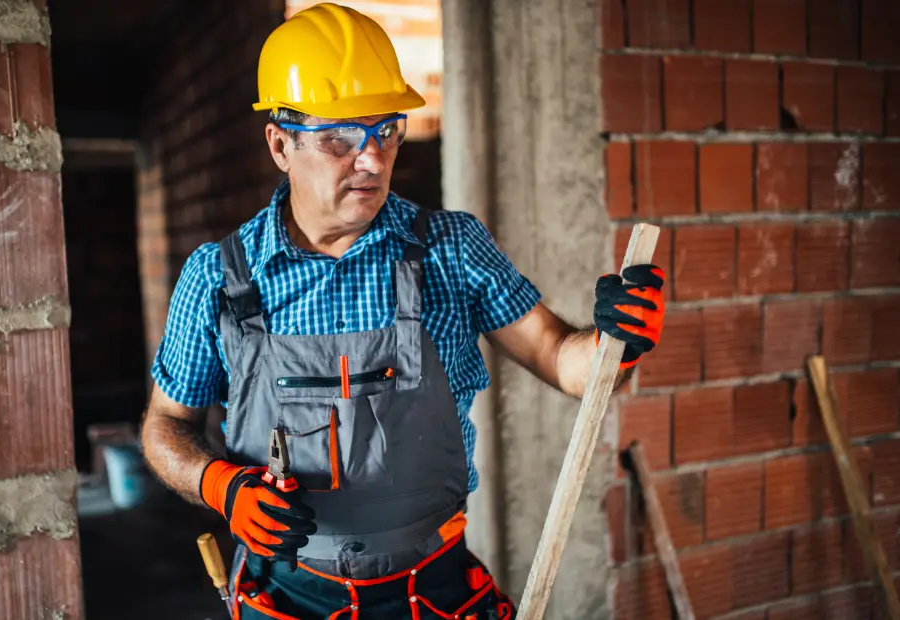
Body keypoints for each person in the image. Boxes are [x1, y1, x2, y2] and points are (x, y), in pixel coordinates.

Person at [140, 3, 666, 618]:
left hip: (434, 595)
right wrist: (223, 488)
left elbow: (558, 356)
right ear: (280, 143)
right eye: (339, 137)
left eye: (385, 130)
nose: (371, 159)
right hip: (289, 598)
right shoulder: (218, 279)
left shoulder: (452, 249)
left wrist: (615, 343)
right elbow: (163, 429)